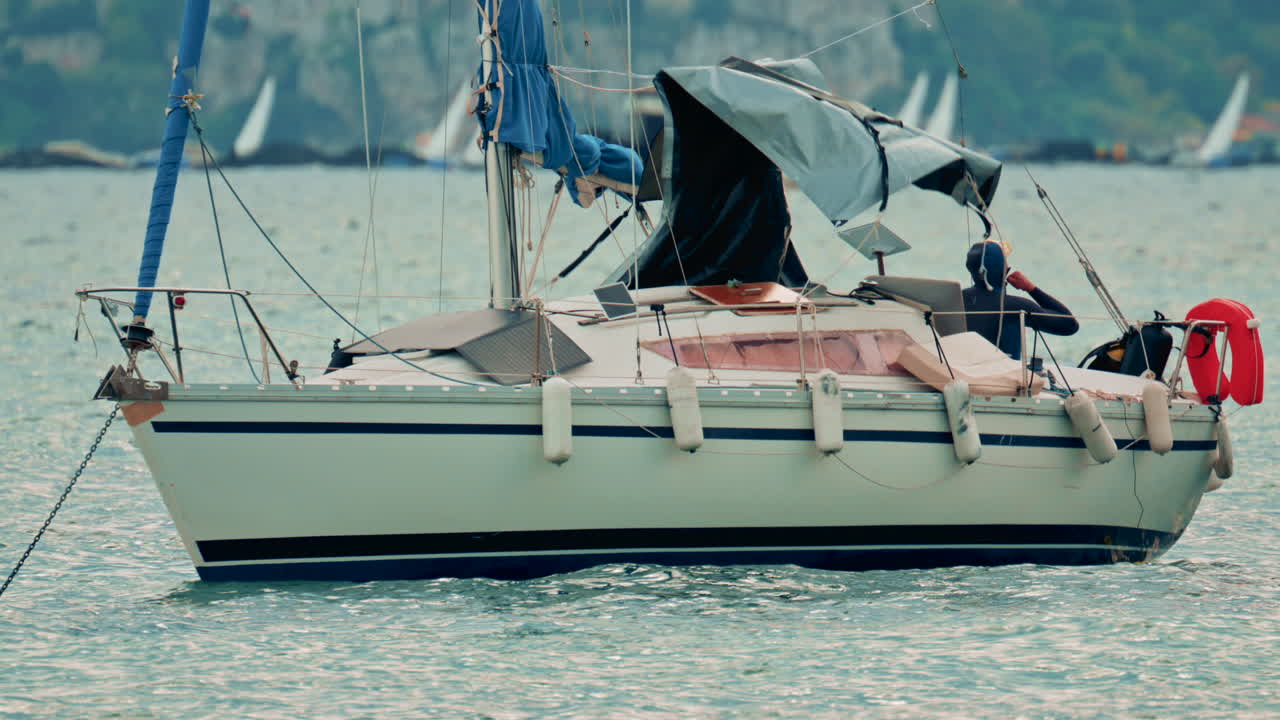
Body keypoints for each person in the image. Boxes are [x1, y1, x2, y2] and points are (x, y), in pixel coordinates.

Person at [961, 241, 1078, 359]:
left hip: (963, 372)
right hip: (1004, 375)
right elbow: (1070, 325)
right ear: (1003, 270)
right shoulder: (1014, 306)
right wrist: (1031, 289)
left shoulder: (958, 298)